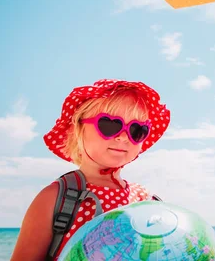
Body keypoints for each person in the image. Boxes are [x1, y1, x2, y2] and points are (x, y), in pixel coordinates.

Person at [10, 79, 171, 261]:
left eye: (137, 130)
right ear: (78, 128)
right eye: (110, 124)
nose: (123, 137)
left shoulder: (146, 200)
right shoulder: (56, 199)